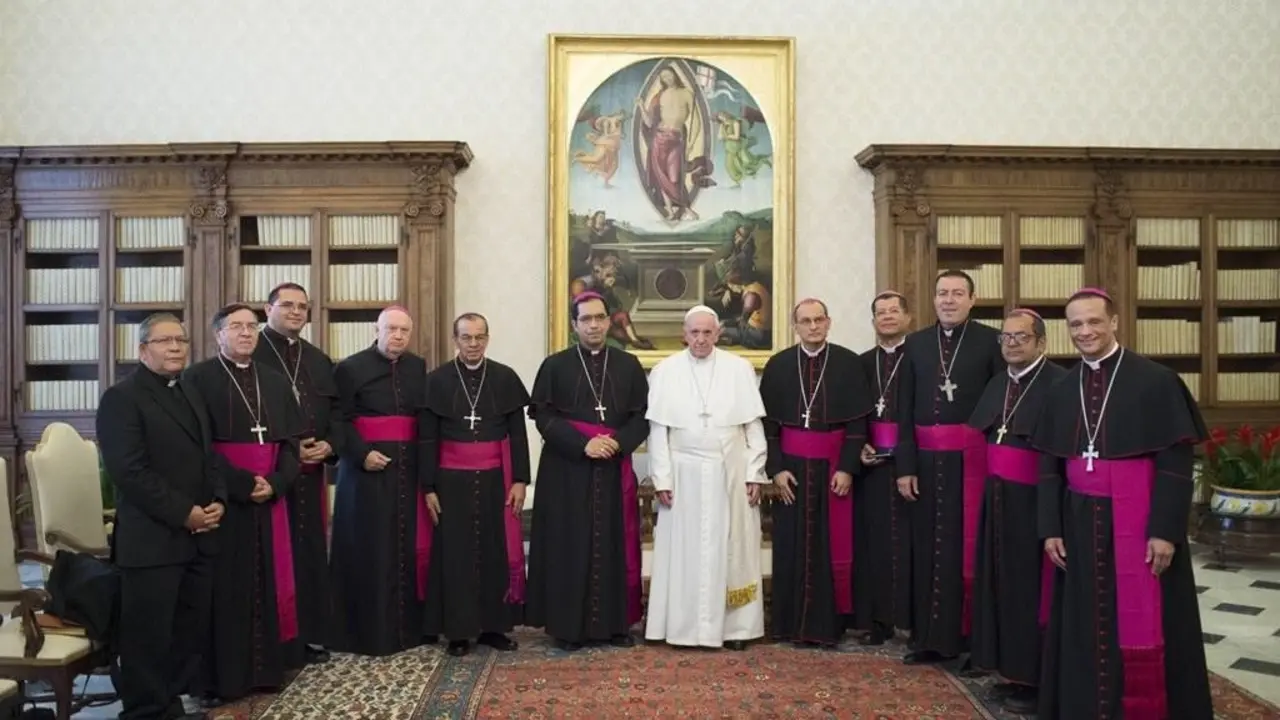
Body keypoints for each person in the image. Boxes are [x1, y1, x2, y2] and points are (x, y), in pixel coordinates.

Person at [1032, 288, 1213, 720]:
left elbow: (1174, 463)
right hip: (1077, 519)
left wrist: (1166, 530)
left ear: (1114, 322)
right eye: (1076, 324)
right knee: (1082, 620)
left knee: (1144, 615)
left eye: (1094, 321)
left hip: (1138, 520)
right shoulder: (1061, 387)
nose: (1085, 331)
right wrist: (1050, 527)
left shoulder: (1155, 380)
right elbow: (1049, 466)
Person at [97, 313, 220, 720]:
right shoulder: (122, 397)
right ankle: (147, 712)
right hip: (152, 541)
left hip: (197, 537)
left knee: (186, 634)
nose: (175, 348)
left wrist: (216, 499)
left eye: (181, 341)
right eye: (164, 341)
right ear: (142, 349)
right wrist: (185, 513)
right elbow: (129, 472)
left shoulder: (187, 391)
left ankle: (171, 708)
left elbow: (206, 458)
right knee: (148, 641)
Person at [181, 303, 305, 703]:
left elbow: (290, 444)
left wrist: (275, 482)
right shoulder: (196, 379)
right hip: (224, 499)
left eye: (251, 326)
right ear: (218, 334)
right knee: (225, 589)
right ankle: (222, 678)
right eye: (236, 327)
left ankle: (265, 670)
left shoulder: (274, 380)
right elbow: (196, 448)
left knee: (267, 581)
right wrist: (239, 484)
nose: (246, 333)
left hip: (268, 496)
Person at [525, 291, 650, 651]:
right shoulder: (555, 365)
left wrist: (618, 443)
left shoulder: (628, 365)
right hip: (567, 468)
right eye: (586, 319)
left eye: (599, 318)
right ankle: (568, 627)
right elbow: (543, 415)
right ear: (574, 324)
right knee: (569, 543)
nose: (593, 325)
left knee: (615, 542)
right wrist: (583, 444)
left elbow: (642, 416)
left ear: (610, 321)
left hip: (612, 467)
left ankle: (616, 625)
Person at [894, 269, 1004, 667]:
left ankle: (973, 643)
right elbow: (903, 409)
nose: (949, 300)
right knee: (928, 549)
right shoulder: (917, 344)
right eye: (942, 293)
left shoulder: (992, 341)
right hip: (925, 462)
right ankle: (930, 638)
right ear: (933, 298)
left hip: (972, 462)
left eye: (958, 293)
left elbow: (1003, 401)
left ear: (972, 300)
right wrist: (904, 467)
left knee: (969, 551)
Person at [644, 306, 768, 650]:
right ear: (684, 334)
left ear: (718, 333)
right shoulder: (665, 371)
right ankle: (681, 627)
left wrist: (755, 471)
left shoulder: (739, 368)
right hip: (683, 474)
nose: (700, 339)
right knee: (684, 552)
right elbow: (658, 432)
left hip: (730, 471)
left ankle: (735, 630)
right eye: (694, 333)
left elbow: (753, 426)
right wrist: (663, 480)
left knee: (733, 548)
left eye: (707, 333)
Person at [966, 309, 1067, 713]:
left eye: (1021, 337)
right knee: (1003, 585)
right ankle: (1013, 671)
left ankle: (1039, 679)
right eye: (1005, 337)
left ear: (1041, 342)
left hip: (1035, 504)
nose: (1011, 344)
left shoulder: (1059, 384)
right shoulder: (998, 383)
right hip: (1000, 500)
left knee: (1033, 592)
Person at [759, 298, 875, 646]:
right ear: (795, 326)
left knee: (832, 545)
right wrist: (776, 470)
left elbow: (858, 425)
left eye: (818, 319)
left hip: (832, 468)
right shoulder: (779, 365)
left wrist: (847, 468)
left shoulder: (848, 363)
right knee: (790, 544)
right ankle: (787, 623)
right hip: (791, 470)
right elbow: (769, 428)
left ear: (829, 322)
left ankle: (830, 626)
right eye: (805, 321)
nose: (812, 326)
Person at [421, 313, 531, 657]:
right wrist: (428, 487)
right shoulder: (437, 380)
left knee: (495, 551)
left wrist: (520, 480)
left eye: (479, 337)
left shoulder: (504, 377)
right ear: (455, 340)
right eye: (466, 338)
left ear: (488, 338)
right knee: (456, 555)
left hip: (496, 480)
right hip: (451, 482)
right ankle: (458, 630)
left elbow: (517, 434)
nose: (473, 344)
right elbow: (427, 438)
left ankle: (494, 628)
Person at [328, 305, 433, 657]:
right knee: (369, 548)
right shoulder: (349, 368)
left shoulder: (418, 367)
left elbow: (421, 419)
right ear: (378, 329)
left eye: (404, 330)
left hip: (408, 472)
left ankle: (408, 630)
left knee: (405, 547)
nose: (398, 336)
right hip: (364, 474)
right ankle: (366, 635)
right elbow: (337, 421)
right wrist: (361, 454)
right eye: (391, 329)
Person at [253, 282, 341, 664]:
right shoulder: (250, 352)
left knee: (307, 554)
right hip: (270, 475)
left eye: (302, 307)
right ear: (267, 308)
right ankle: (272, 641)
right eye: (286, 305)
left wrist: (330, 445)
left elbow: (337, 414)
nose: (295, 312)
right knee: (271, 557)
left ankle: (306, 637)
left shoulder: (319, 360)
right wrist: (291, 448)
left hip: (311, 475)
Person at [854, 290, 914, 646]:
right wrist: (859, 444)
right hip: (873, 466)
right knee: (873, 544)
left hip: (910, 467)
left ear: (907, 318)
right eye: (881, 312)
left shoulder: (921, 359)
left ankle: (912, 620)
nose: (887, 317)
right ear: (873, 320)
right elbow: (855, 414)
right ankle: (876, 621)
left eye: (894, 311)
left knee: (911, 545)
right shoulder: (862, 363)